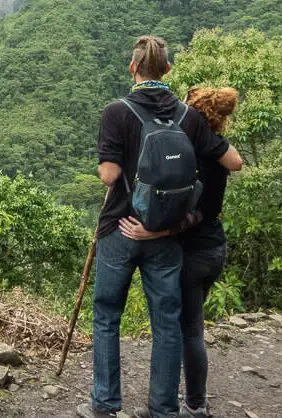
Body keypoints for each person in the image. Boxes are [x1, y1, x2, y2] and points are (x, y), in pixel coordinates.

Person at [80, 36, 242, 418]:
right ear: (168, 70)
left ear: (132, 68)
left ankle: (105, 405)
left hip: (120, 228)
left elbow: (109, 175)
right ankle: (165, 409)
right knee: (167, 323)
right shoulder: (188, 116)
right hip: (165, 234)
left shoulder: (116, 111)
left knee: (106, 317)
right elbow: (233, 162)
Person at [120, 87, 242, 418]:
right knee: (192, 327)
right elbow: (214, 201)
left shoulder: (188, 154)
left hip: (192, 252)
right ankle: (187, 402)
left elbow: (193, 214)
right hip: (215, 248)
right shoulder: (216, 153)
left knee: (184, 330)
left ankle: (185, 406)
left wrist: (158, 230)